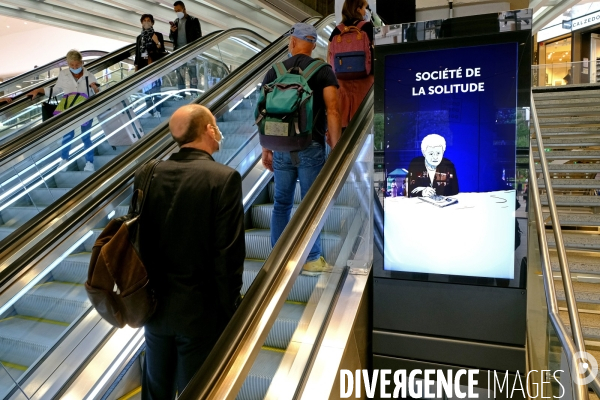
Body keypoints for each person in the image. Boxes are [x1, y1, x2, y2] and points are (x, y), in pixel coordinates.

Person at [139, 104, 245, 400]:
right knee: (197, 391)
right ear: (209, 130)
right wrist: (231, 312)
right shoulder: (223, 179)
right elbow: (228, 256)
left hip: (154, 309)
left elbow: (139, 241)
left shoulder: (148, 174)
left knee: (156, 390)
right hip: (201, 314)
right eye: (215, 126)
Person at [261, 23, 341, 276]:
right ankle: (312, 259)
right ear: (313, 44)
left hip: (281, 147)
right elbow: (333, 111)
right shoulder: (323, 70)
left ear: (293, 42)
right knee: (311, 204)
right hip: (311, 146)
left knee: (281, 203)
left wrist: (266, 149)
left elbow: (264, 114)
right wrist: (337, 148)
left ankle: (277, 256)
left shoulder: (275, 71)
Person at [28, 50, 99, 172]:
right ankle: (64, 159)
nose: (75, 67)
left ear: (81, 62)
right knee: (67, 135)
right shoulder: (64, 74)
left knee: (86, 136)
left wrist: (95, 88)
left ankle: (89, 162)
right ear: (68, 64)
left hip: (85, 109)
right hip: (69, 109)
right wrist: (39, 90)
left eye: (77, 65)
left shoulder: (89, 75)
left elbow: (98, 92)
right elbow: (55, 90)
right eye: (72, 65)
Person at [328, 0, 374, 130]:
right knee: (363, 122)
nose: (365, 12)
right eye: (364, 8)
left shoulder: (336, 31)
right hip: (365, 81)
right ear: (358, 9)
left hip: (341, 82)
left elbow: (329, 57)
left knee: (342, 121)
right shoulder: (367, 27)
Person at [134, 14, 166, 118]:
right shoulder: (139, 37)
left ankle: (158, 110)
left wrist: (157, 41)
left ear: (152, 23)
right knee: (146, 90)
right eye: (144, 21)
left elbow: (162, 50)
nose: (146, 22)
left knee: (156, 89)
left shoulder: (158, 35)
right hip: (143, 65)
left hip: (154, 65)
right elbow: (137, 53)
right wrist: (136, 68)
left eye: (148, 20)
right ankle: (150, 110)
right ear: (141, 23)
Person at [407, 134, 459, 198]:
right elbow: (409, 189)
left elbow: (454, 191)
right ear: (424, 153)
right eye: (431, 154)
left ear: (443, 152)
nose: (435, 157)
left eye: (438, 153)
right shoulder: (416, 164)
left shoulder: (449, 165)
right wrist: (422, 192)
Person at [170, 1, 202, 97]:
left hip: (190, 51)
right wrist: (172, 32)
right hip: (179, 52)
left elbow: (198, 36)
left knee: (192, 73)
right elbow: (171, 38)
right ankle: (181, 94)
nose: (177, 12)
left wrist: (195, 49)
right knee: (180, 74)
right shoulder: (176, 22)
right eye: (175, 11)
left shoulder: (193, 20)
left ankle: (194, 93)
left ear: (184, 9)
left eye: (179, 10)